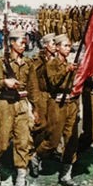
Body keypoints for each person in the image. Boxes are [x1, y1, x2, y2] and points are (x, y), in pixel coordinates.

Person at [30, 34, 81, 186]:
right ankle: (37, 156)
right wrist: (67, 70)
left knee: (72, 139)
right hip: (56, 104)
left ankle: (66, 174)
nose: (68, 48)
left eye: (69, 46)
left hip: (70, 104)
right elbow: (52, 82)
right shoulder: (51, 64)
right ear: (57, 47)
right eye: (65, 46)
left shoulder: (70, 63)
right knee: (53, 139)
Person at [0, 29, 34, 186]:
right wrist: (5, 82)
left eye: (25, 42)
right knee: (2, 142)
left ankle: (21, 181)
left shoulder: (28, 63)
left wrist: (35, 108)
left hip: (22, 104)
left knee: (23, 141)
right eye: (21, 42)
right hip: (6, 104)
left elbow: (33, 87)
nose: (24, 45)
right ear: (12, 43)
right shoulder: (1, 61)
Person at [26, 32, 56, 170]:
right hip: (41, 95)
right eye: (52, 43)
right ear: (45, 45)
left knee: (53, 125)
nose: (55, 46)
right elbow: (33, 80)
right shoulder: (37, 60)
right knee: (41, 125)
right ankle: (34, 152)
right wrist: (34, 101)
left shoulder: (56, 59)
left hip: (53, 96)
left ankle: (43, 152)